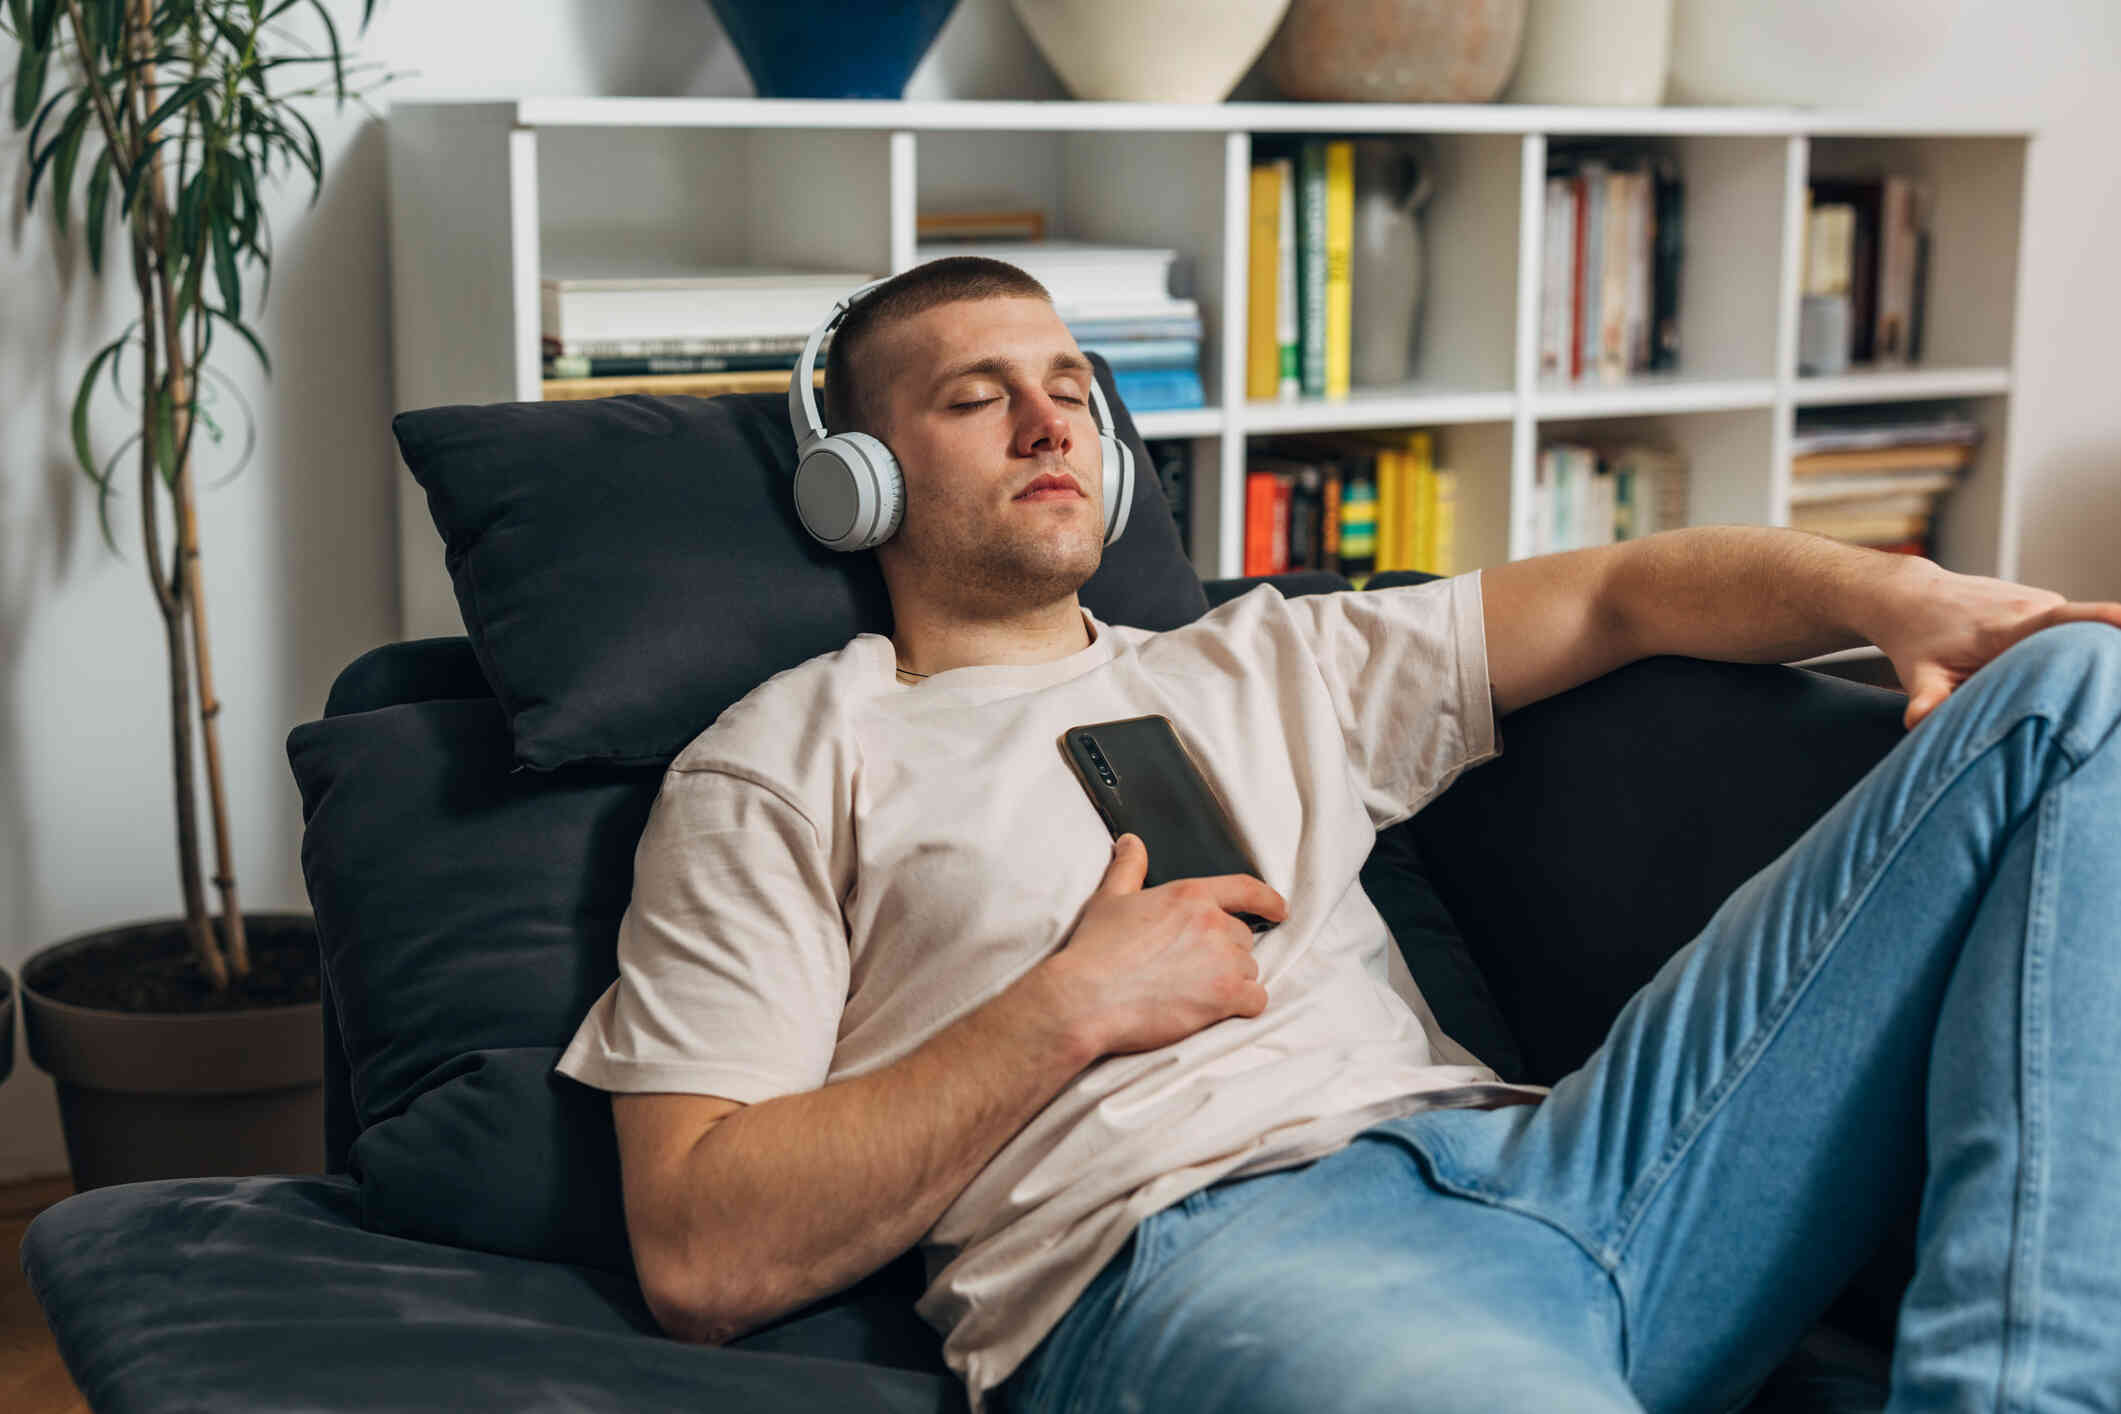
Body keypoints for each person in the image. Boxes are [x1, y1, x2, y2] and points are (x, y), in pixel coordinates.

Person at [554, 256, 2121, 1413]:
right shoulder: (783, 760)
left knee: (2078, 682)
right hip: (1224, 1255)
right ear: (860, 483)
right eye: (976, 399)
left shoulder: (1261, 654)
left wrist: (1903, 598)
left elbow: (1618, 590)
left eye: (1070, 387)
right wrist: (1066, 1006)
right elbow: (699, 1248)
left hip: (1568, 1159)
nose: (1049, 421)